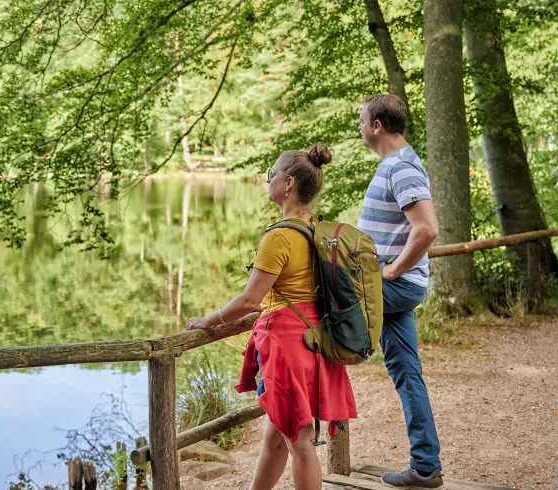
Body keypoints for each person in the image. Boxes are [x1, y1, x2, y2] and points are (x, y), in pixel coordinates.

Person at [185, 144, 356, 490]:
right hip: (316, 341)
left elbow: (251, 300)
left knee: (299, 441)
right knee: (275, 437)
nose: (268, 180)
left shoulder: (280, 236)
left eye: (272, 175)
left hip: (286, 348)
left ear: (289, 184)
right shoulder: (320, 231)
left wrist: (209, 319)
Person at [356, 94, 444, 488]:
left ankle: (290, 410)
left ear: (377, 125)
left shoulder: (402, 167)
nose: (360, 128)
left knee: (315, 315)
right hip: (396, 287)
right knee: (408, 373)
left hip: (395, 286)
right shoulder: (396, 165)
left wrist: (392, 270)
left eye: (362, 121)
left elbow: (426, 229)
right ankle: (425, 466)